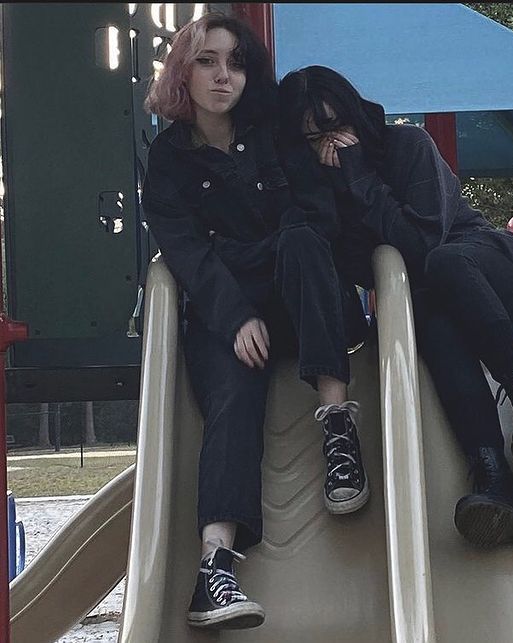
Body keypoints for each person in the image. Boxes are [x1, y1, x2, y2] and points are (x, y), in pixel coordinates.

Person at [278, 65, 513, 550]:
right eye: (314, 137)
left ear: (357, 115)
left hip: (488, 278)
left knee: (442, 263)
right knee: (433, 328)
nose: (330, 145)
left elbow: (420, 243)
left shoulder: (405, 148)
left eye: (337, 127)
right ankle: (496, 481)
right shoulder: (318, 192)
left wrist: (360, 178)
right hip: (434, 306)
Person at [142, 20, 371, 630]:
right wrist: (237, 314)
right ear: (183, 72)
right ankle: (215, 567)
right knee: (233, 397)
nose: (224, 76)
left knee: (298, 239)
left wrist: (343, 144)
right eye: (208, 62)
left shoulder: (273, 132)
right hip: (228, 310)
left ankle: (337, 425)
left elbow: (315, 215)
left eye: (235, 63)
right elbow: (187, 253)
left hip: (299, 301)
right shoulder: (167, 162)